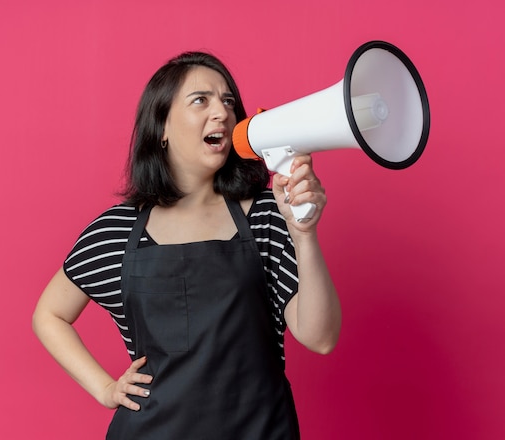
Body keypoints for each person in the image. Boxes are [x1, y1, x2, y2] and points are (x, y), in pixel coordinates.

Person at [32, 51, 341, 439]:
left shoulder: (267, 215)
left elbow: (320, 337)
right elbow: (49, 315)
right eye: (201, 100)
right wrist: (105, 389)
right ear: (161, 125)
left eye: (228, 101)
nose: (223, 112)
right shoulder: (117, 231)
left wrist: (305, 235)